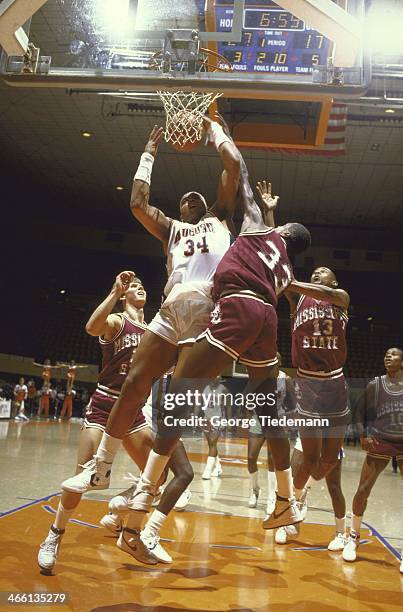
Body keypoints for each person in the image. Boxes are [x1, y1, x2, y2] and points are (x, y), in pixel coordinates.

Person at [61, 115, 240, 499]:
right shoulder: (171, 229)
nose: (189, 199)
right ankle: (102, 469)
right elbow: (137, 203)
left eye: (196, 197)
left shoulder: (222, 217)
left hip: (207, 308)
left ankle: (149, 487)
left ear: (207, 205)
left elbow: (233, 167)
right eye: (183, 199)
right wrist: (148, 154)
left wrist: (217, 133)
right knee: (132, 385)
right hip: (173, 307)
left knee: (177, 403)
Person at [38, 272, 161, 571]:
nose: (140, 288)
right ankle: (54, 535)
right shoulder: (118, 321)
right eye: (134, 286)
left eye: (142, 286)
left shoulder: (154, 330)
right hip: (105, 404)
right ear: (124, 295)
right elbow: (91, 328)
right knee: (82, 477)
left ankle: (118, 509)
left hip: (133, 409)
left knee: (157, 476)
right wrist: (113, 293)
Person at [285, 267, 350, 513]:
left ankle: (306, 489)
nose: (317, 272)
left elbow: (295, 283)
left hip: (335, 382)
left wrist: (291, 282)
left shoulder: (341, 297)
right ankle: (295, 499)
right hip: (307, 383)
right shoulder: (299, 298)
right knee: (310, 458)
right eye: (313, 271)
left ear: (334, 282)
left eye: (323, 272)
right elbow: (284, 268)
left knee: (330, 459)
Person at [343, 347, 403, 569]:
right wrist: (362, 435)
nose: (388, 356)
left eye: (394, 354)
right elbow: (358, 411)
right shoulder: (375, 384)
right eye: (386, 353)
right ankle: (353, 537)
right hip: (382, 440)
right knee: (362, 490)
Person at [275, 436, 347, 549]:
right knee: (292, 480)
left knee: (334, 487)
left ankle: (341, 534)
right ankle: (285, 523)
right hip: (308, 432)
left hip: (331, 438)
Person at [247, 353, 294, 512]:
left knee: (272, 460)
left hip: (277, 420)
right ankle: (255, 489)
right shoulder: (259, 377)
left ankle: (271, 498)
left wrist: (287, 423)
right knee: (251, 457)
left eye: (276, 360)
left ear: (279, 362)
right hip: (258, 418)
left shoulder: (286, 380)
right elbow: (249, 397)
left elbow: (293, 405)